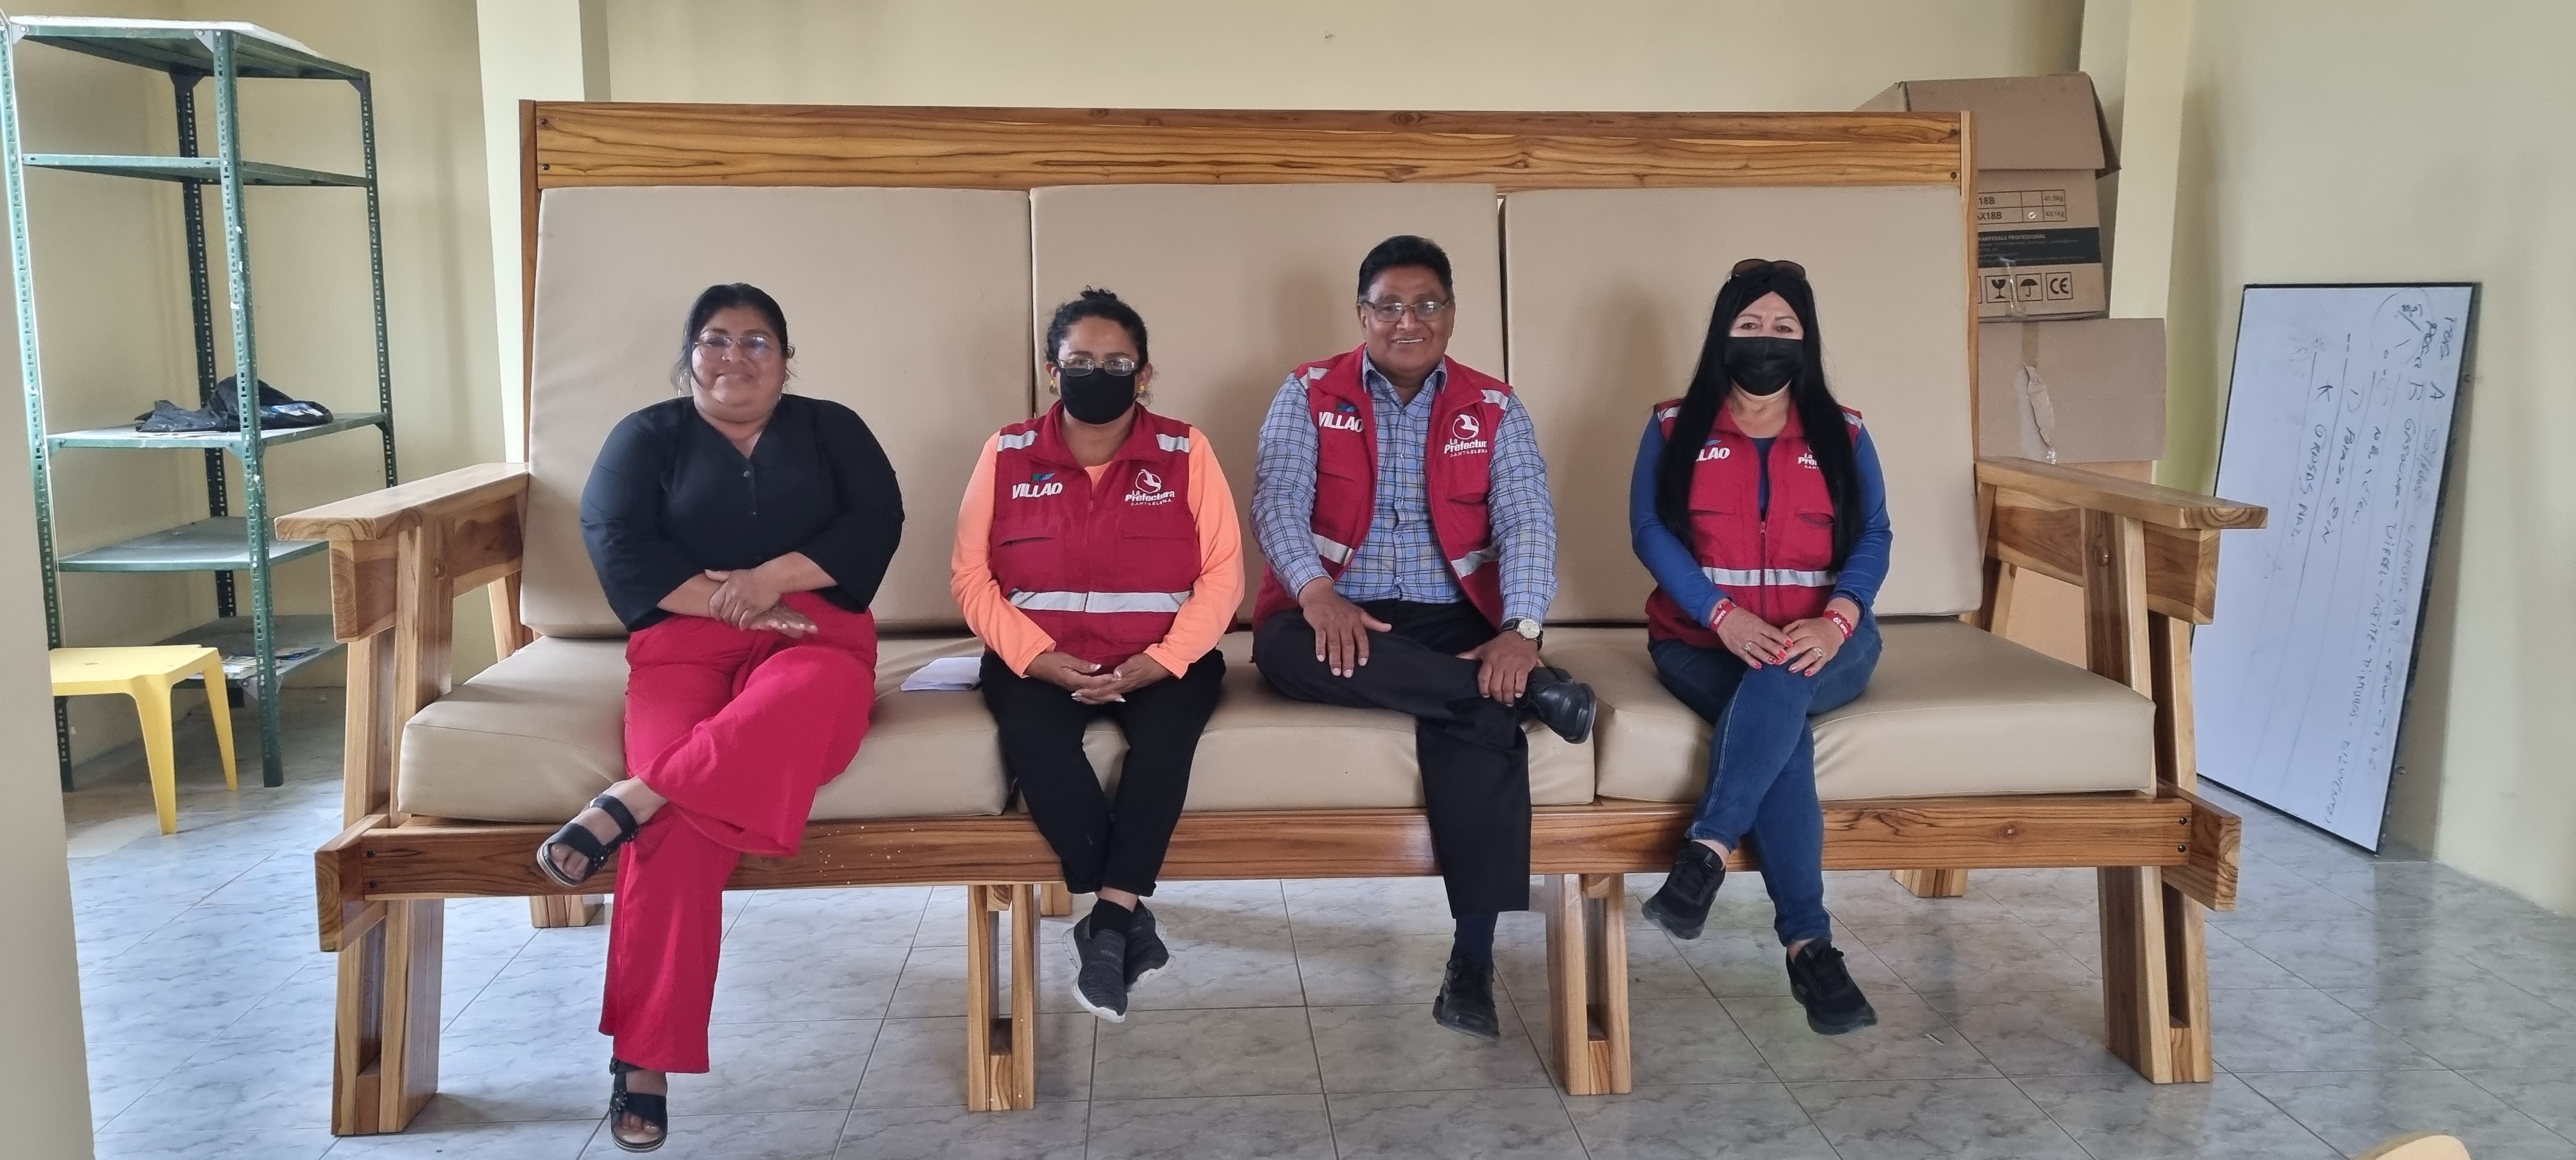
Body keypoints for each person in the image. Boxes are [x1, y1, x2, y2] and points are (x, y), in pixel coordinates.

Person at [539, 282, 904, 1151]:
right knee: (677, 829)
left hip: (814, 639)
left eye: (756, 341)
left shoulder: (834, 430)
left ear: (786, 360)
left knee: (804, 695)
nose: (735, 356)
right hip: (682, 644)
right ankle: (645, 1055)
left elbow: (876, 522)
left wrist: (772, 580)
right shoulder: (646, 438)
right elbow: (615, 539)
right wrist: (731, 602)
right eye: (716, 340)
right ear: (689, 356)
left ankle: (632, 798)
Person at [1250, 234, 1595, 1042]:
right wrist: (1317, 594)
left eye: (1427, 304)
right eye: (1390, 306)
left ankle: (1472, 959)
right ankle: (1519, 689)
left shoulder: (1493, 406)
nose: (1409, 321)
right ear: (1362, 314)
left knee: (1482, 713)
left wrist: (1521, 631)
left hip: (1452, 614)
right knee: (1282, 649)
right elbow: (1277, 499)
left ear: (1451, 313)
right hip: (1336, 605)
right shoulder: (1309, 392)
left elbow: (1527, 519)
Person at [952, 289, 1241, 1023]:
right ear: (1053, 371)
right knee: (1034, 738)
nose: (1098, 374)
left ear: (1145, 374)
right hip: (1040, 661)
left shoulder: (1186, 451)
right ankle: (1122, 917)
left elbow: (1223, 575)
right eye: (1080, 361)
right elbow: (970, 576)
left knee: (1166, 740)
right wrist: (1036, 657)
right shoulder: (1007, 452)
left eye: (1117, 363)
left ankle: (1107, 917)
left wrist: (1165, 659)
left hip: (1162, 660)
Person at [1629, 258, 1892, 1036]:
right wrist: (1722, 616)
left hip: (1831, 640)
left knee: (1782, 680)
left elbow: (1875, 534)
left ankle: (1706, 850)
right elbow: (1649, 531)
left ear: (1806, 341)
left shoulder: (1846, 432)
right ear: (1724, 334)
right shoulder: (1672, 426)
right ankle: (1811, 947)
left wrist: (1838, 617)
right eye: (1750, 325)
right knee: (1785, 734)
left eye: (1784, 326)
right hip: (1700, 643)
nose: (1766, 340)